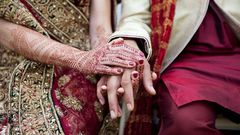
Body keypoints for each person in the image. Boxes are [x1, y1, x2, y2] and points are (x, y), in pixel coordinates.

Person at [0, 0, 145, 134]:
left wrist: (109, 62)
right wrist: (79, 59)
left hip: (85, 70)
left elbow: (100, 25)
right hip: (13, 68)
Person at [98, 0, 240, 135]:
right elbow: (134, 19)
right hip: (183, 62)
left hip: (235, 55)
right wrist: (127, 50)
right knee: (185, 122)